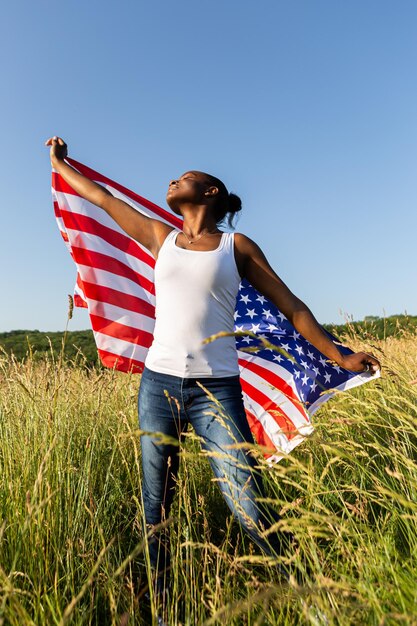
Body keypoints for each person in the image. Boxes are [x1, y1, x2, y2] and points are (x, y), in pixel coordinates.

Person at [46, 136, 380, 600]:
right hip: (158, 386)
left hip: (216, 392)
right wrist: (59, 164)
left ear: (211, 193)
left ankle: (306, 596)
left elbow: (291, 305)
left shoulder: (235, 246)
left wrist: (339, 357)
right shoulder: (162, 239)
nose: (173, 179)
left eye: (185, 176)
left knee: (248, 500)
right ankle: (163, 603)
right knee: (156, 506)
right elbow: (102, 199)